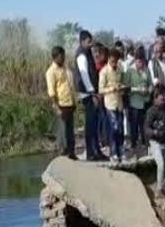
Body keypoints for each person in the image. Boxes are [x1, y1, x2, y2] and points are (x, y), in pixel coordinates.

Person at [75, 30, 104, 161]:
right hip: (88, 94)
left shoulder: (87, 53)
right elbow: (85, 75)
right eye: (89, 41)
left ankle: (96, 151)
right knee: (90, 124)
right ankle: (91, 153)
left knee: (95, 123)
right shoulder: (81, 55)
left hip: (91, 92)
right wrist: (92, 92)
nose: (91, 44)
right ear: (82, 41)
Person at [45, 46, 77, 160]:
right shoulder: (50, 72)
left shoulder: (65, 69)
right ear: (55, 57)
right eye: (61, 56)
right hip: (61, 104)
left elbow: (70, 86)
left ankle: (72, 152)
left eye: (64, 56)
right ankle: (64, 153)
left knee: (70, 130)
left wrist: (74, 101)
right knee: (62, 131)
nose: (64, 58)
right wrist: (56, 107)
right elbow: (51, 92)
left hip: (69, 103)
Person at [144, 86, 165, 196]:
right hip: (155, 142)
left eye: (164, 99)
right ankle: (159, 189)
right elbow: (146, 128)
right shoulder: (151, 112)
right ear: (155, 99)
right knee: (161, 164)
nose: (163, 101)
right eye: (161, 99)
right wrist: (154, 132)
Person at [98, 49, 126, 163]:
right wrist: (111, 89)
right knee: (114, 128)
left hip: (119, 102)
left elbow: (122, 81)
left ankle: (120, 150)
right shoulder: (104, 72)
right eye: (113, 61)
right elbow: (100, 90)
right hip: (110, 103)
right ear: (109, 59)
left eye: (116, 61)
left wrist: (122, 87)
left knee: (120, 129)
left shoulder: (120, 69)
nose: (115, 63)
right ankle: (113, 152)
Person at [126, 50, 151, 148]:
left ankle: (145, 142)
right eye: (139, 62)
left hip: (145, 100)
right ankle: (133, 143)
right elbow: (126, 86)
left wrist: (149, 89)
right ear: (135, 61)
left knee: (144, 123)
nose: (140, 64)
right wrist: (137, 89)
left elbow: (150, 83)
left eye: (142, 62)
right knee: (134, 124)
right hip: (134, 101)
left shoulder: (146, 69)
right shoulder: (130, 71)